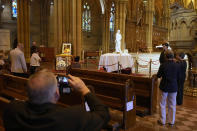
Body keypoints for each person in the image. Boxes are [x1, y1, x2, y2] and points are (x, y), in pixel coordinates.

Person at [3, 69, 110, 131]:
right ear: (56, 94)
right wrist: (84, 89)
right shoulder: (72, 116)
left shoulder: (11, 110)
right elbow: (103, 115)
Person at [156, 50, 180, 126]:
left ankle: (162, 120)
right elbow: (179, 77)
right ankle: (171, 121)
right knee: (172, 104)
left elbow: (159, 75)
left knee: (162, 104)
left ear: (165, 56)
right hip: (173, 86)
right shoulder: (177, 65)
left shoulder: (163, 65)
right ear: (172, 56)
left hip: (164, 86)